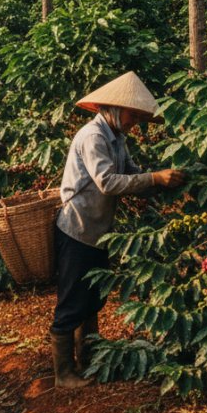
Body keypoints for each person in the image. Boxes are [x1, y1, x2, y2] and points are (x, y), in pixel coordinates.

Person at [51, 72, 184, 389]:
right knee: (72, 300)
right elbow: (108, 182)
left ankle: (91, 356)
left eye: (138, 117)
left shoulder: (116, 139)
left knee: (93, 297)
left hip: (98, 231)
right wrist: (154, 179)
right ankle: (63, 373)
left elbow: (132, 174)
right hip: (76, 229)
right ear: (112, 108)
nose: (134, 122)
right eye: (132, 115)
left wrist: (164, 186)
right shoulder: (94, 137)